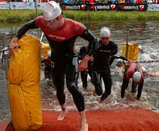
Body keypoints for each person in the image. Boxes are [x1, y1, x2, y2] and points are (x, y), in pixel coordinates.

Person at [8, 1, 97, 131]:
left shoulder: (74, 27)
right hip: (56, 58)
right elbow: (26, 26)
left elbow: (93, 40)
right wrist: (15, 39)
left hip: (70, 57)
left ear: (59, 17)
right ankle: (63, 109)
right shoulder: (42, 22)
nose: (48, 25)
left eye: (51, 22)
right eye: (46, 22)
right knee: (58, 86)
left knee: (71, 86)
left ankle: (83, 119)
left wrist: (86, 59)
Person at [90, 27, 118, 103]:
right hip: (96, 68)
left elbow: (113, 55)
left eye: (107, 38)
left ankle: (100, 101)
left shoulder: (113, 46)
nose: (105, 40)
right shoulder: (96, 45)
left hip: (106, 68)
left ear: (110, 37)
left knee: (108, 91)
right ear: (100, 37)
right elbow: (88, 54)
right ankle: (96, 89)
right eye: (103, 38)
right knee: (99, 91)